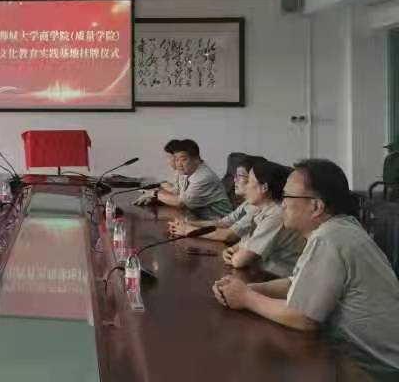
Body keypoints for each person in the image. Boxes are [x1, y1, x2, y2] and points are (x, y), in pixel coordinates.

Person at [212, 159, 399, 378]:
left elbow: (303, 318)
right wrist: (250, 289)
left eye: (287, 196)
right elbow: (297, 281)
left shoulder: (330, 238)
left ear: (316, 207)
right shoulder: (339, 228)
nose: (282, 204)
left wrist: (246, 298)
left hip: (377, 371)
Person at [220, 160, 305, 277]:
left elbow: (240, 261)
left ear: (264, 187)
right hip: (261, 273)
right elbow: (244, 244)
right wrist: (231, 251)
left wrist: (236, 255)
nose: (246, 187)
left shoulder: (276, 214)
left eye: (249, 181)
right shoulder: (260, 209)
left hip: (279, 278)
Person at [168, 155, 265, 243]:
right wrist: (188, 223)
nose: (234, 180)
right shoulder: (247, 203)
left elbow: (229, 235)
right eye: (235, 176)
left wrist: (188, 230)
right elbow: (222, 223)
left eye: (240, 176)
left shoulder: (258, 208)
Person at [136, 139, 232, 219]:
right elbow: (177, 193)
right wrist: (156, 197)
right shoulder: (187, 172)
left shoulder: (203, 177)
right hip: (197, 218)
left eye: (183, 159)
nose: (178, 164)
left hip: (219, 223)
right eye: (176, 160)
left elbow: (181, 202)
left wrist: (155, 194)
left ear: (196, 159)